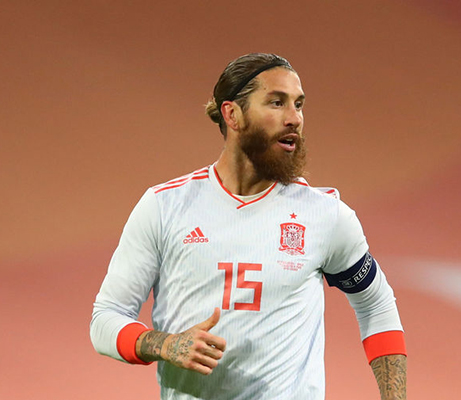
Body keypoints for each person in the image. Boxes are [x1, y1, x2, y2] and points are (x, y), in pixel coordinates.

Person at [90, 53, 407, 400]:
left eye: (299, 105)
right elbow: (106, 318)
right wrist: (164, 344)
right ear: (233, 115)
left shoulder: (325, 216)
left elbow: (376, 306)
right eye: (277, 102)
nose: (294, 118)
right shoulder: (165, 207)